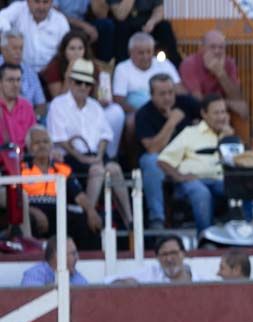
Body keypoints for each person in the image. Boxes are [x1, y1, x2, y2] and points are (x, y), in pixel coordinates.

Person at [46, 58, 132, 229]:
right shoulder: (58, 105)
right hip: (69, 158)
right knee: (97, 170)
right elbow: (60, 140)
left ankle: (129, 220)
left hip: (94, 155)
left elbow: (105, 135)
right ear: (71, 82)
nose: (83, 87)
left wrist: (99, 155)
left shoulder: (95, 106)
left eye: (87, 83)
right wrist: (84, 158)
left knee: (114, 168)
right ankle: (88, 218)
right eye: (79, 82)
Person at [156, 94, 233, 234]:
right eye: (216, 113)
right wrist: (179, 177)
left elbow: (238, 164)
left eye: (223, 112)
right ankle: (205, 237)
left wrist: (230, 139)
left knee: (240, 188)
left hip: (221, 181)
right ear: (204, 114)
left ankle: (245, 234)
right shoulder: (190, 133)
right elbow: (163, 160)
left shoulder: (229, 136)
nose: (221, 117)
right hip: (193, 182)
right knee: (201, 192)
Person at [41, 32, 124, 160]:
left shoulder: (91, 66)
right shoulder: (55, 66)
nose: (77, 53)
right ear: (64, 50)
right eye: (72, 49)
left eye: (80, 48)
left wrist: (102, 99)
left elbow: (94, 93)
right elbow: (59, 98)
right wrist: (69, 73)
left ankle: (111, 155)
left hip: (88, 106)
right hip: (63, 109)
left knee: (116, 112)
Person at [20, 125, 102, 248]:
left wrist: (91, 211)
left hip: (58, 213)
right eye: (37, 143)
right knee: (30, 221)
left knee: (87, 222)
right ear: (29, 148)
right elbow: (15, 200)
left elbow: (79, 196)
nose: (42, 146)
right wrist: (33, 211)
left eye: (45, 142)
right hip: (31, 212)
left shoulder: (61, 168)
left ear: (51, 146)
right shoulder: (21, 168)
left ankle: (87, 259)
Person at [135, 74, 200, 228]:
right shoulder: (143, 114)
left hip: (189, 157)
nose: (168, 98)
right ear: (151, 95)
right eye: (162, 94)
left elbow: (208, 115)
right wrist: (171, 123)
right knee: (150, 161)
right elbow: (153, 149)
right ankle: (157, 219)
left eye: (171, 92)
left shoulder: (186, 103)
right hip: (162, 162)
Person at [178, 30, 248, 120]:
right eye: (212, 47)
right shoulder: (189, 63)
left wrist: (221, 74)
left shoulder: (229, 63)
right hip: (197, 114)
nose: (217, 51)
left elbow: (237, 98)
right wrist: (228, 103)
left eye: (221, 47)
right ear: (201, 48)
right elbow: (197, 100)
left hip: (221, 114)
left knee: (244, 109)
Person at [95, 0, 181, 66]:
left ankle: (174, 67)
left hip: (147, 22)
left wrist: (152, 22)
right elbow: (120, 15)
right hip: (125, 23)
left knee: (165, 27)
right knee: (121, 29)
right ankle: (122, 66)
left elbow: (160, 8)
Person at [113, 31, 181, 114]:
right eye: (141, 53)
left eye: (149, 52)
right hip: (137, 113)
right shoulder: (122, 68)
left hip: (167, 111)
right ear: (130, 52)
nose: (145, 56)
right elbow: (119, 100)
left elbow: (179, 89)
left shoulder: (165, 64)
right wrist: (142, 115)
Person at [0, 0, 69, 74]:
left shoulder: (61, 21)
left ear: (51, 3)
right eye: (37, 2)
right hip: (19, 69)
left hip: (49, 73)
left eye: (45, 2)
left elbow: (66, 49)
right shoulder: (18, 9)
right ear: (28, 2)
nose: (41, 7)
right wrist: (10, 35)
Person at [0, 31, 46, 117]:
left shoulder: (30, 71)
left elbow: (41, 104)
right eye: (14, 48)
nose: (19, 52)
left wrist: (30, 118)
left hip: (27, 119)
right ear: (3, 50)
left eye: (21, 48)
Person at [21, 237, 85, 286]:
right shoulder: (34, 274)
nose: (77, 258)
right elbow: (30, 296)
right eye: (73, 254)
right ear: (58, 255)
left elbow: (87, 295)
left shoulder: (75, 275)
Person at [0, 62, 35, 151]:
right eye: (10, 80)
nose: (16, 85)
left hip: (24, 157)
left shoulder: (27, 107)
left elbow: (33, 138)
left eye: (18, 80)